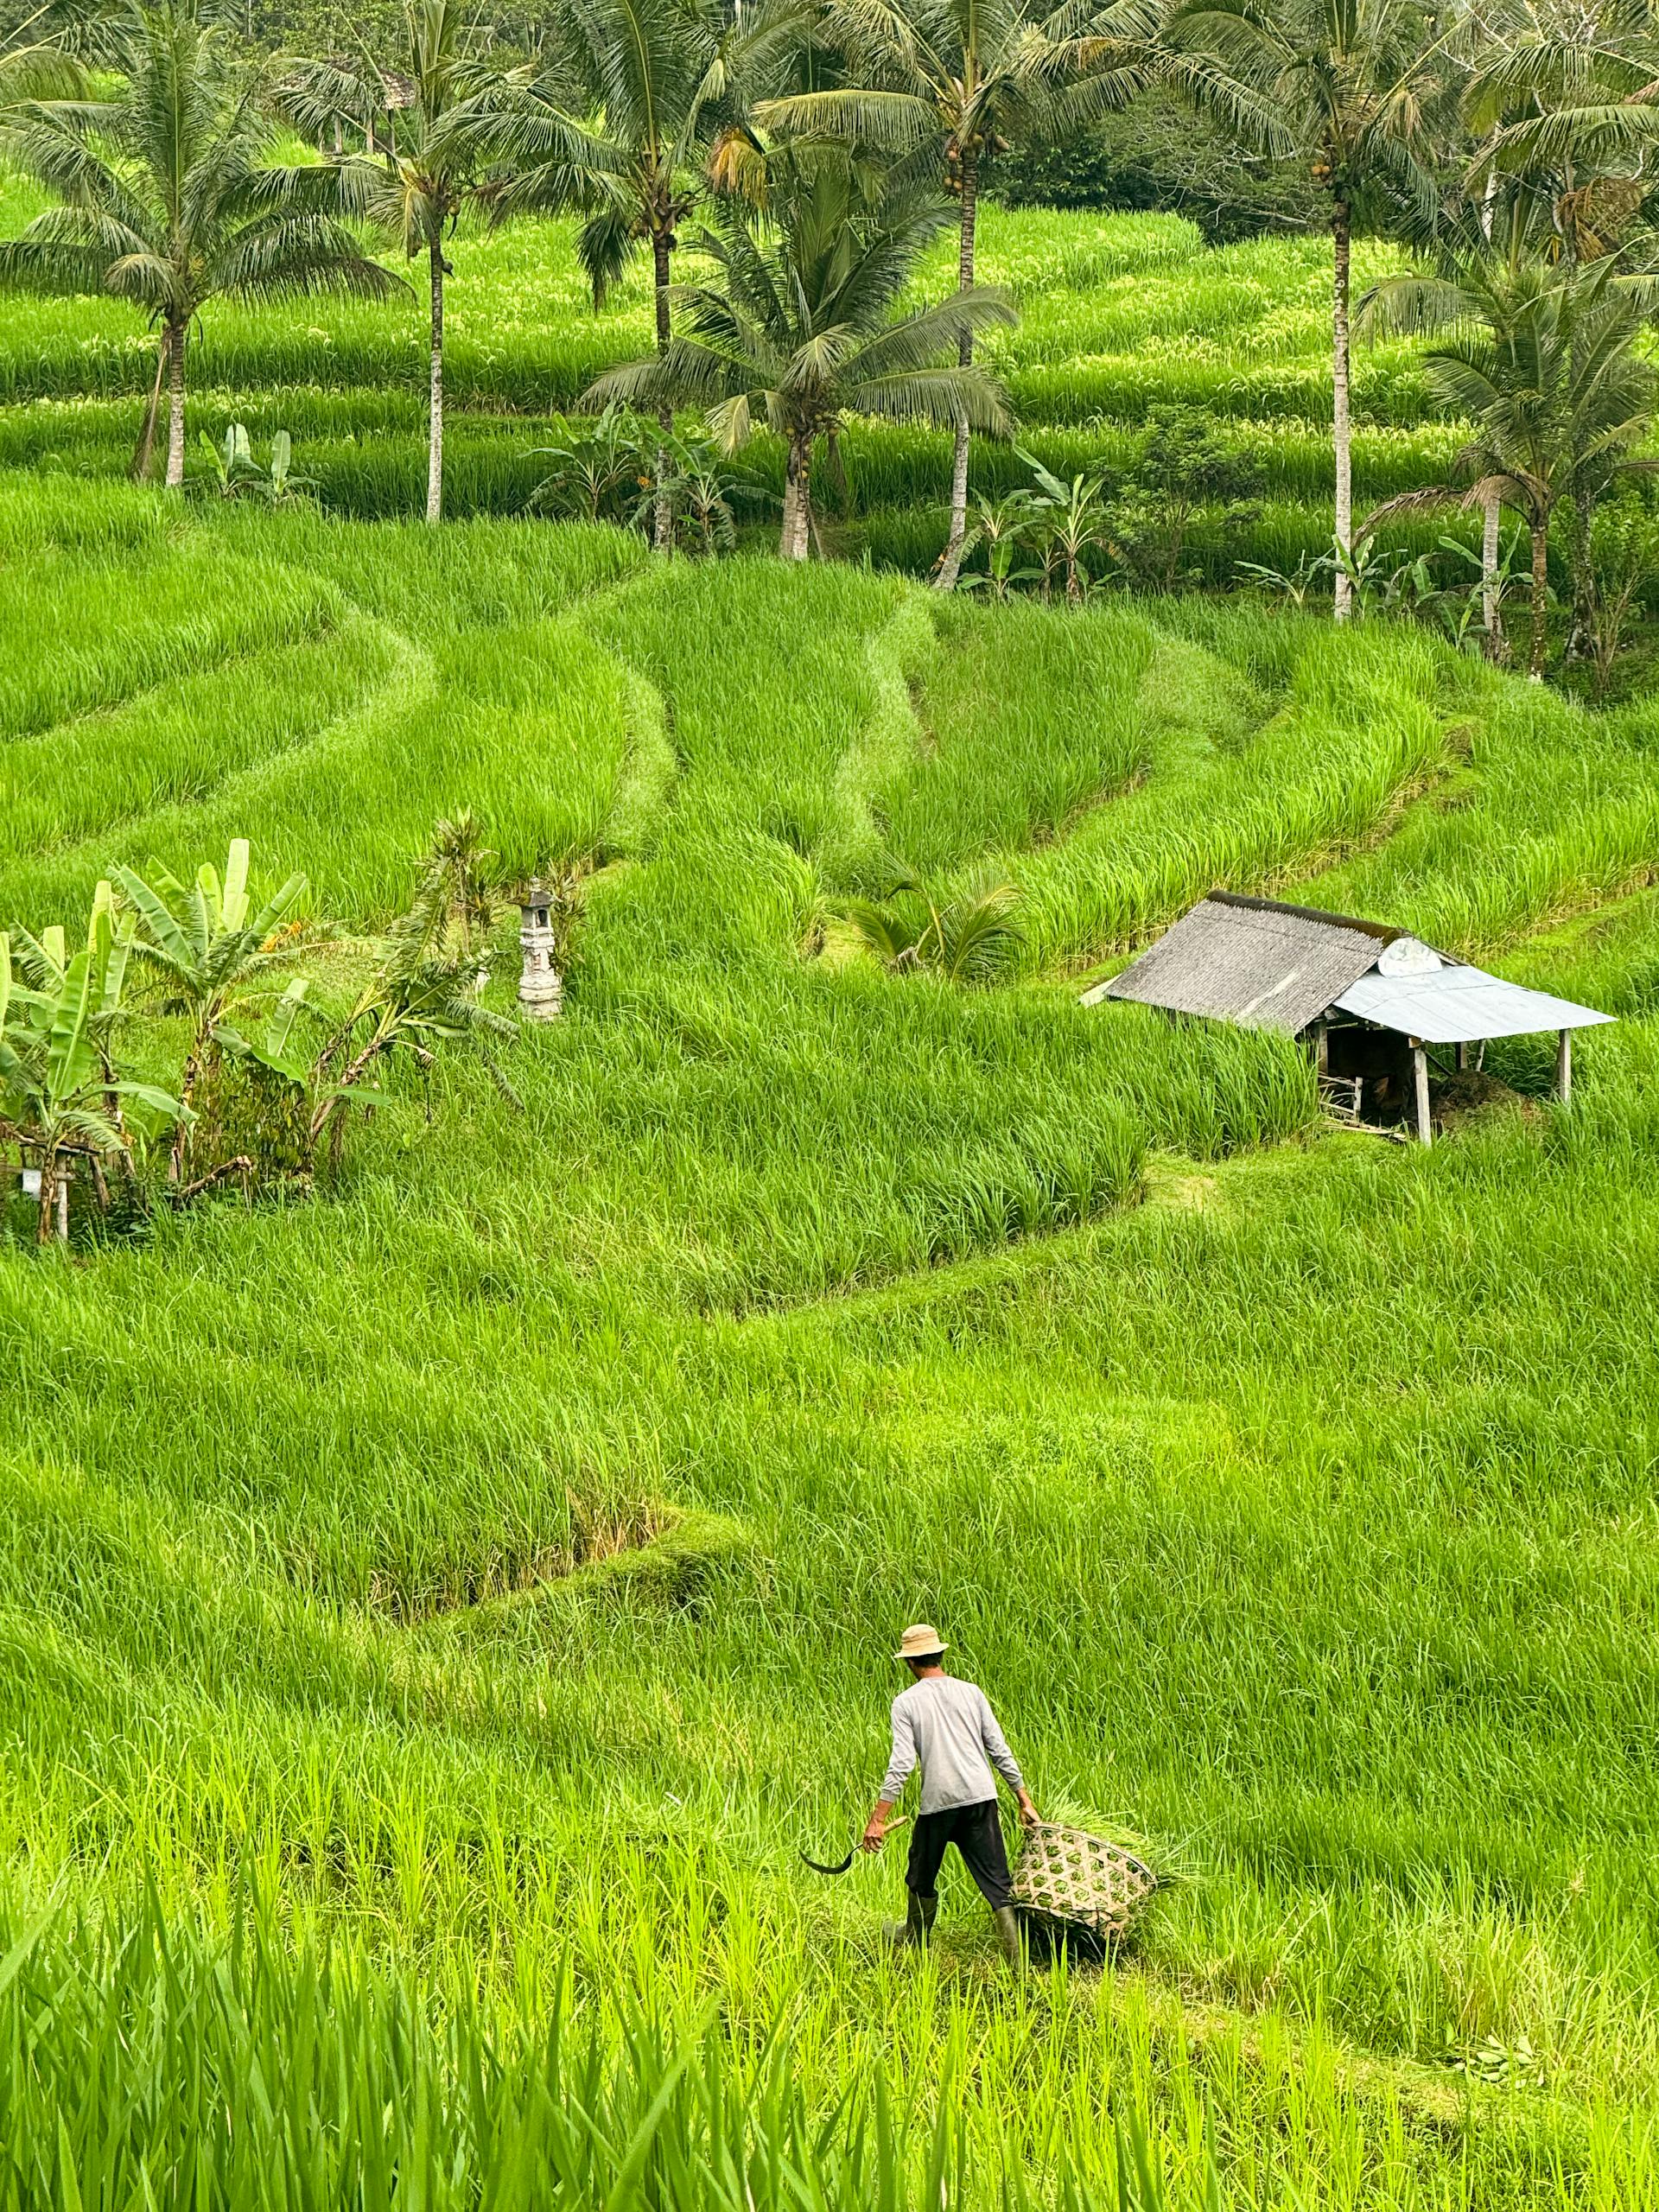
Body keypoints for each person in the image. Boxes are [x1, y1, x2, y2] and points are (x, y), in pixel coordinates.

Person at [861, 1623, 1038, 1965]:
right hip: (981, 1798)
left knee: (920, 1872)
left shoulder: (905, 1703)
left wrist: (877, 1820)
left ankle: (914, 1936)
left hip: (939, 1804)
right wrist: (1023, 1798)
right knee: (997, 1880)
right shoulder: (971, 1692)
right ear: (939, 1655)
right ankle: (1019, 1964)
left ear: (910, 1663)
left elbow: (901, 1765)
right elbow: (998, 1749)